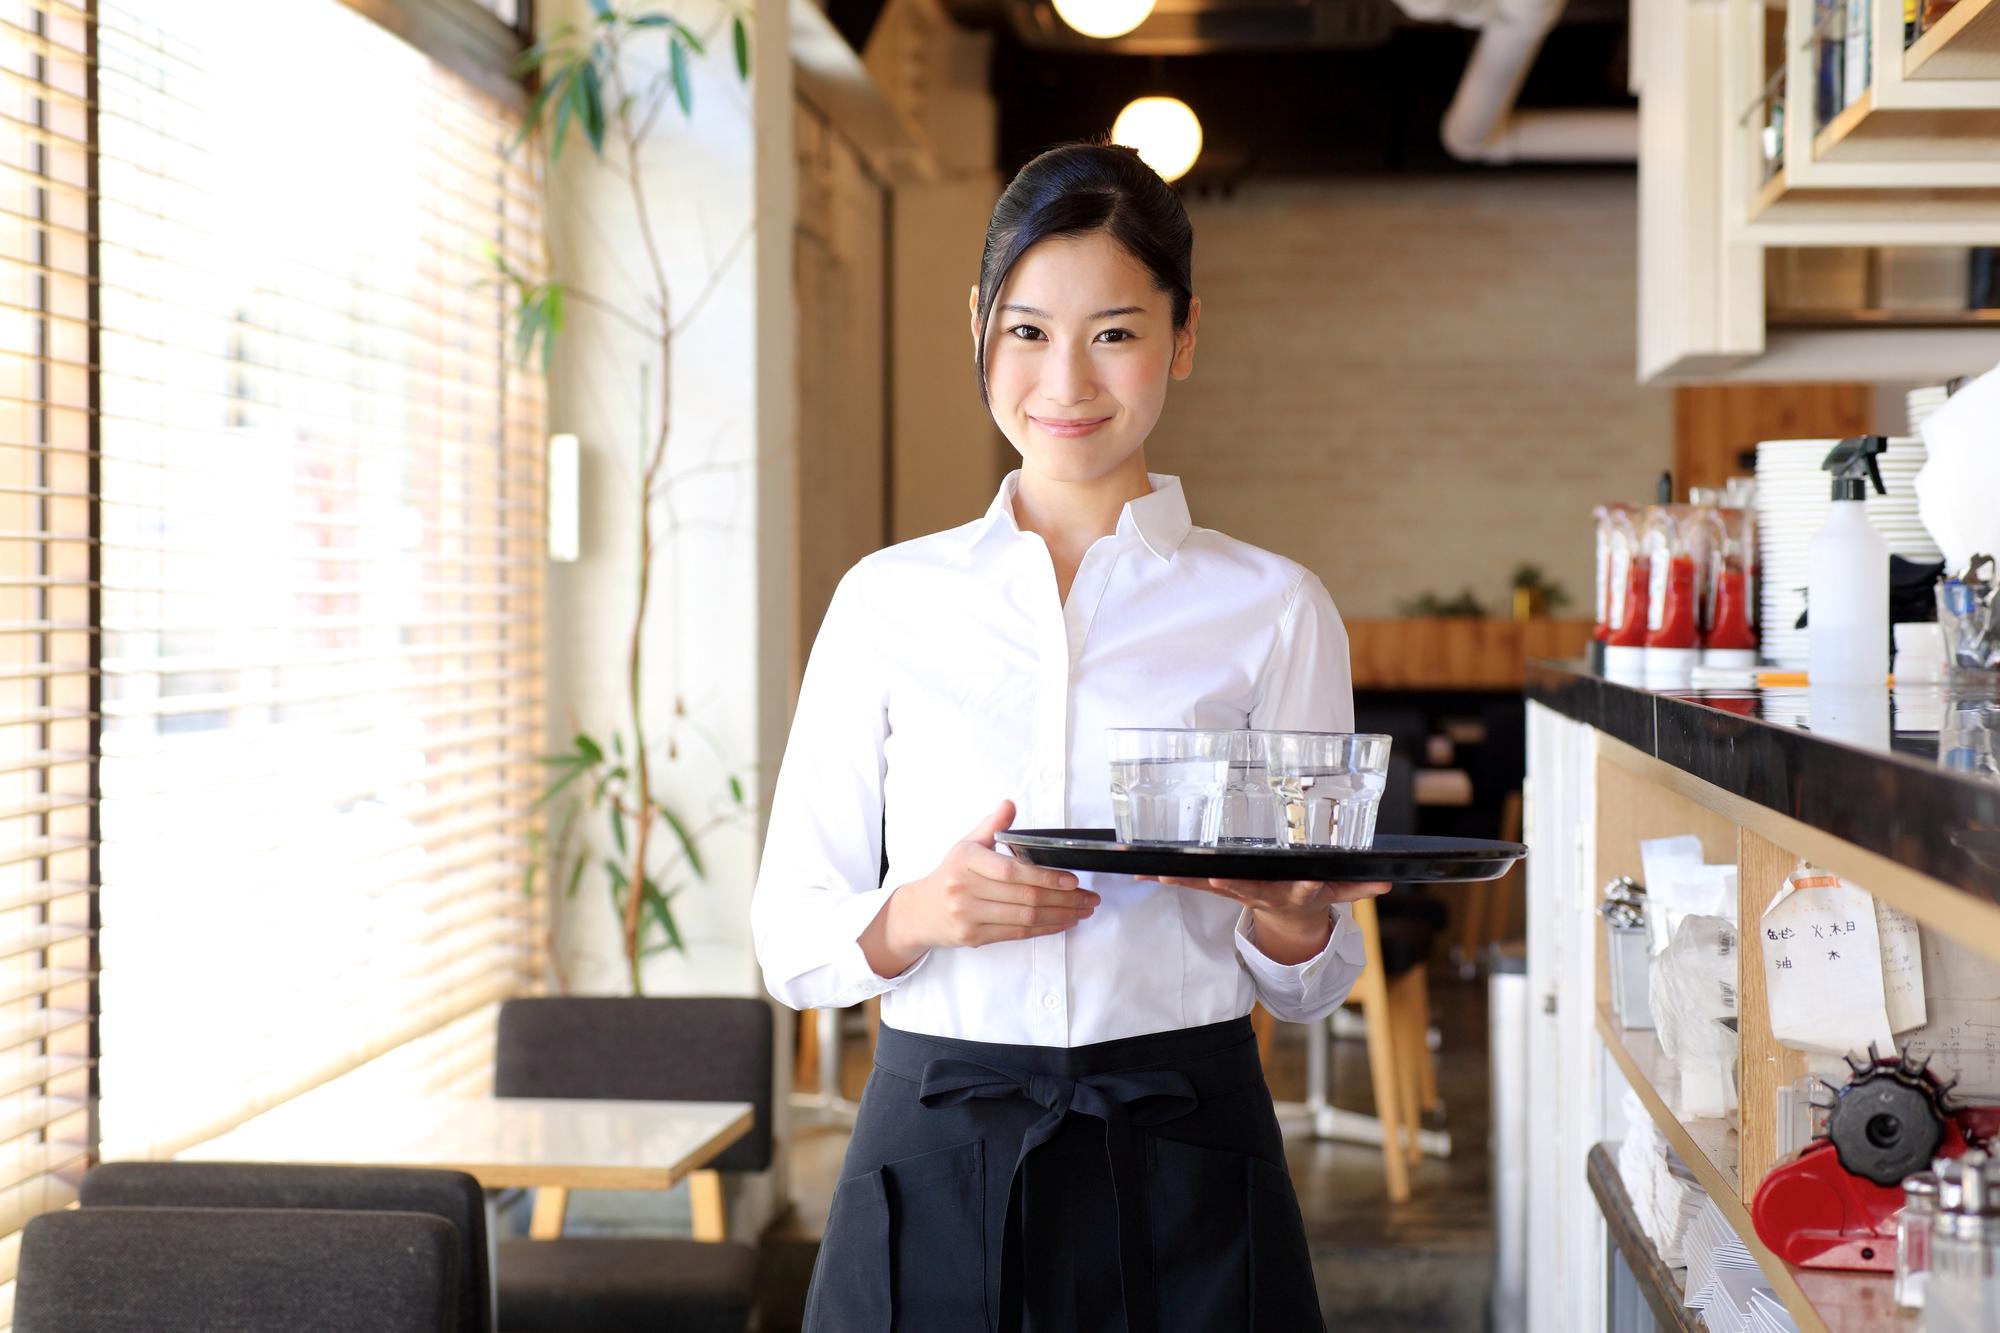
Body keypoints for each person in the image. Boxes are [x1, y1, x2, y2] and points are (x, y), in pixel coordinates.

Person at [751, 139, 1389, 1333]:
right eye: (1028, 329)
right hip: (933, 1135)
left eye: (1113, 331)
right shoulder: (886, 601)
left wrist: (1293, 922)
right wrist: (912, 915)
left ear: (1182, 338)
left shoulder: (1272, 606)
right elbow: (788, 934)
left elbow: (1310, 980)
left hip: (1185, 1136)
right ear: (980, 328)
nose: (1065, 379)